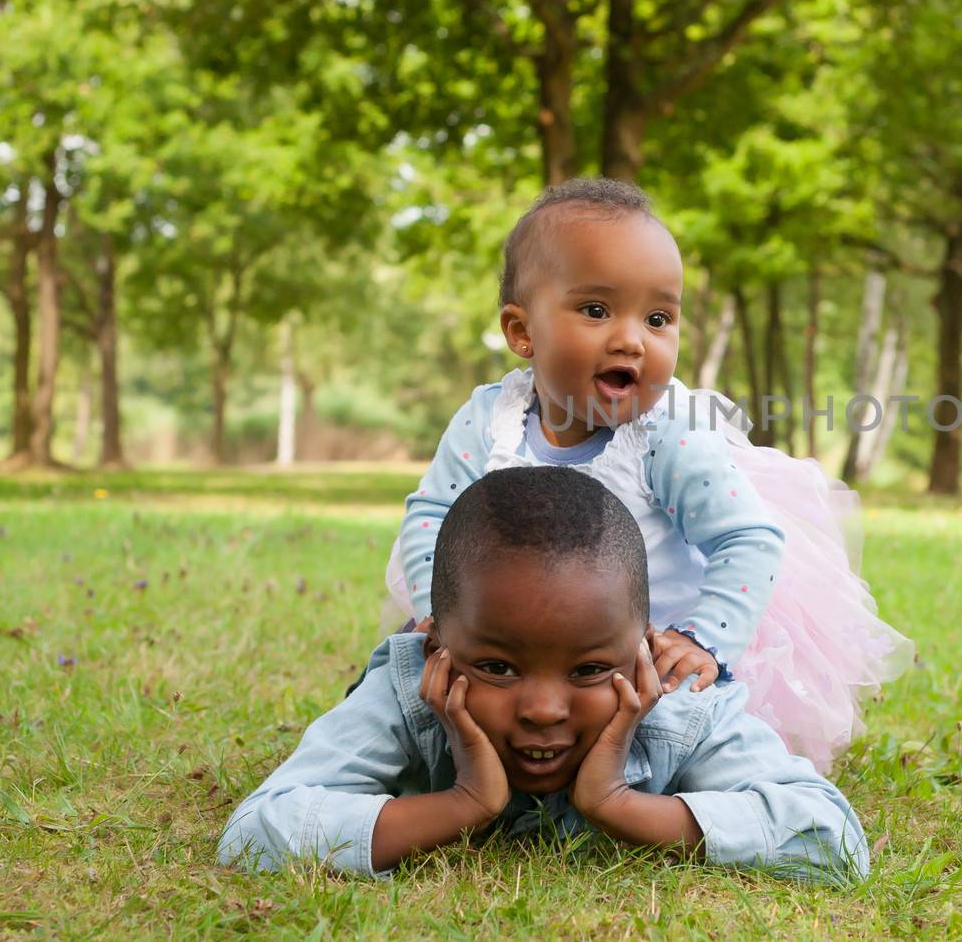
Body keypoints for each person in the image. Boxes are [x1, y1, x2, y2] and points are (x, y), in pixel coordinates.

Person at [382, 178, 911, 771]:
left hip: (641, 656)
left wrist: (702, 639)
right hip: (517, 651)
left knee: (675, 748)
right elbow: (434, 516)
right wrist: (449, 614)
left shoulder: (666, 432)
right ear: (522, 331)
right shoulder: (489, 421)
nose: (632, 338)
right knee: (409, 693)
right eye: (596, 310)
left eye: (658, 317)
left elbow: (748, 539)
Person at [220, 467, 869, 880]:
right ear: (435, 642)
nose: (542, 708)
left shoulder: (678, 701)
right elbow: (255, 831)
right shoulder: (406, 691)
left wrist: (617, 804)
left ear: (644, 647)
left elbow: (832, 837)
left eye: (589, 668)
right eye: (497, 665)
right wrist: (462, 804)